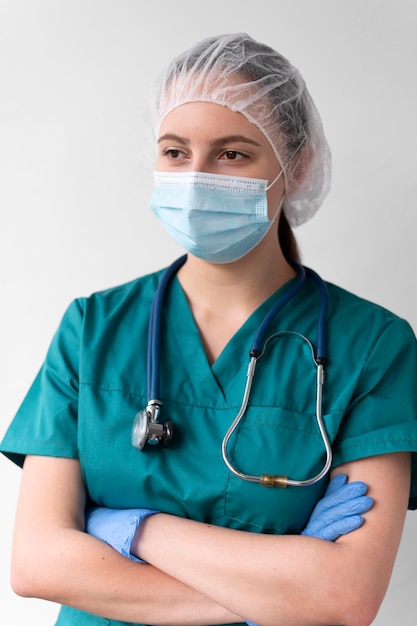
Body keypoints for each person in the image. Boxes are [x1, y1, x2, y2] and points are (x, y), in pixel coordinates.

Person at [1, 32, 416, 626]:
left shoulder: (372, 347)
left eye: (233, 154)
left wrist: (134, 530)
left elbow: (346, 599)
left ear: (297, 167)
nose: (196, 178)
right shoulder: (92, 329)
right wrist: (282, 591)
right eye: (175, 152)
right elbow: (37, 564)